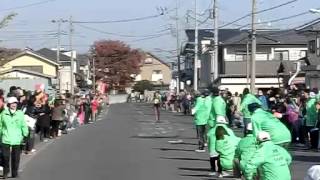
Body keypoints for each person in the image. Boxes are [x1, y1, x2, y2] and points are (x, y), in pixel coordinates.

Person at [0, 97, 29, 178]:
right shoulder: (3, 114)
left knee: (16, 158)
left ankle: (14, 172)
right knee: (5, 157)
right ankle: (6, 172)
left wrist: (25, 134)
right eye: (12, 103)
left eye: (15, 103)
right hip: (6, 138)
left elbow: (23, 125)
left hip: (17, 138)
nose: (14, 105)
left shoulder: (20, 113)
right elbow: (0, 126)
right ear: (9, 104)